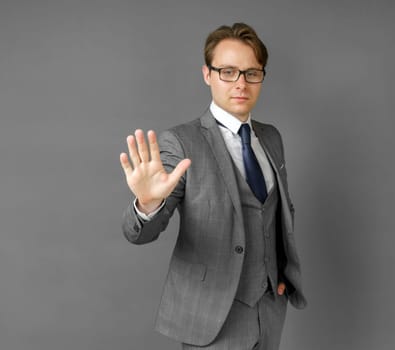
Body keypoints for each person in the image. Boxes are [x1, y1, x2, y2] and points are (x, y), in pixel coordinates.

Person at [119, 23, 306, 350]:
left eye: (251, 73)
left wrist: (280, 276)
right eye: (228, 71)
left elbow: (275, 215)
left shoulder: (272, 138)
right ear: (207, 74)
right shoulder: (180, 141)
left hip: (269, 311)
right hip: (212, 317)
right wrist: (147, 204)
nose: (240, 83)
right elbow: (140, 233)